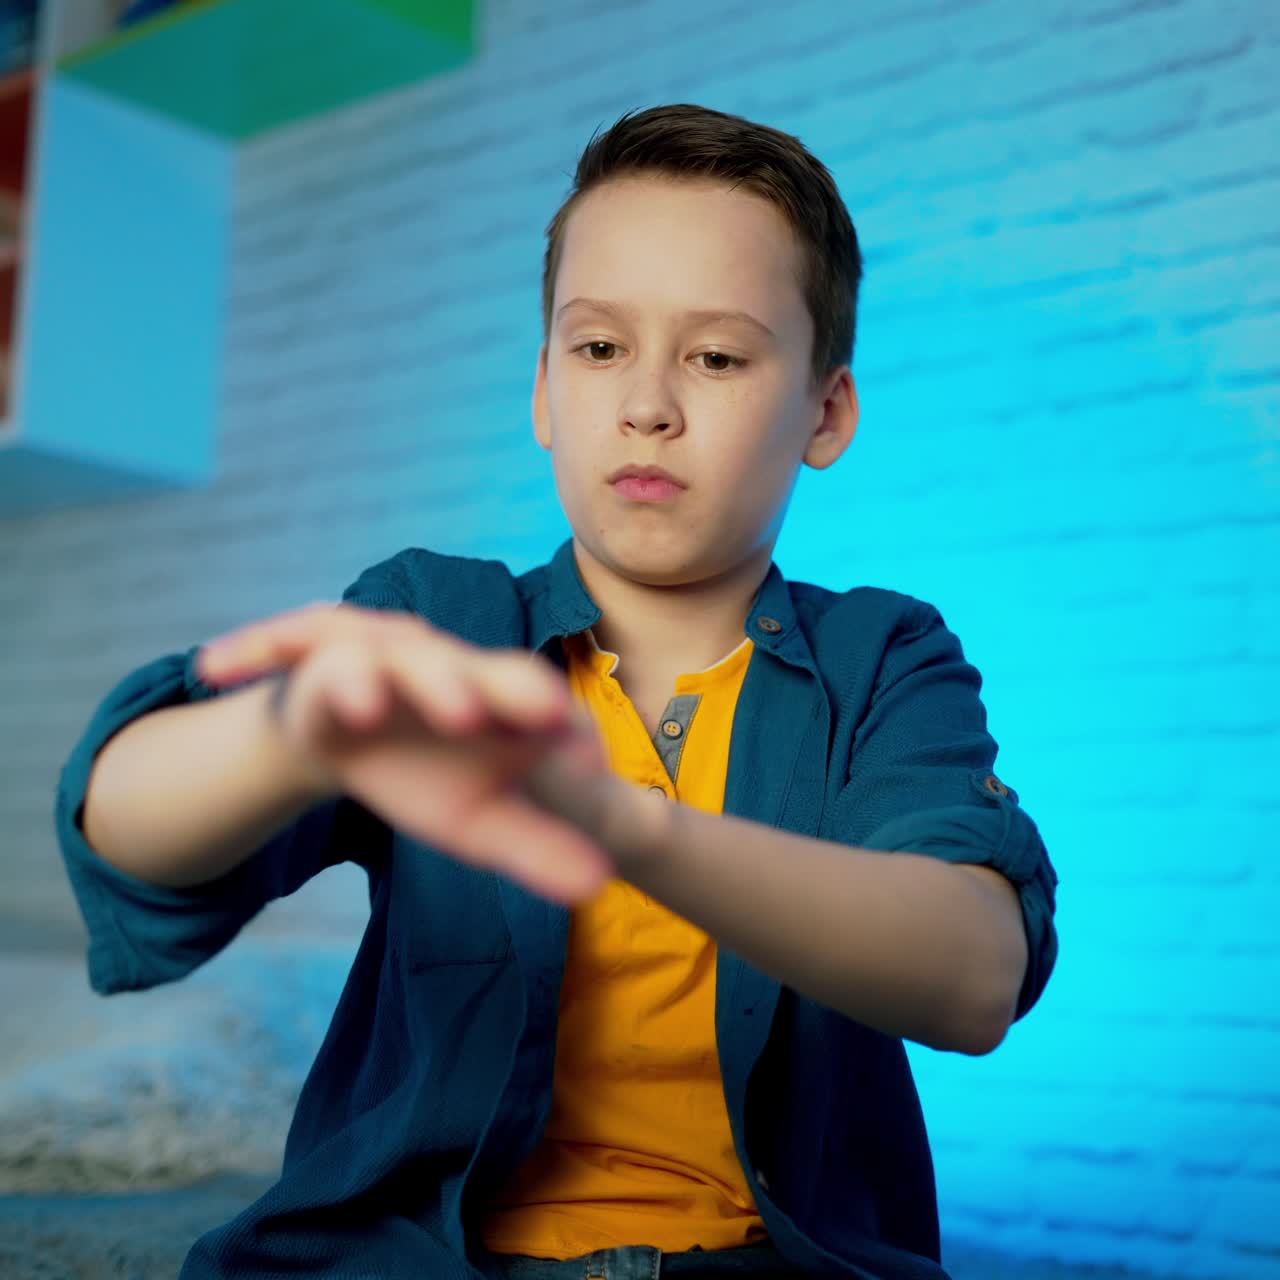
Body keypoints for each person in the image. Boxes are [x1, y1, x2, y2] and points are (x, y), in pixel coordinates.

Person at [55, 103, 1059, 1280]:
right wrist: (295, 729)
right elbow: (125, 838)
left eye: (718, 356)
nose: (646, 405)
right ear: (541, 390)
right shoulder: (430, 620)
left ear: (823, 412)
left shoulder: (883, 656)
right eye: (597, 348)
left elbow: (969, 972)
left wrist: (612, 818)